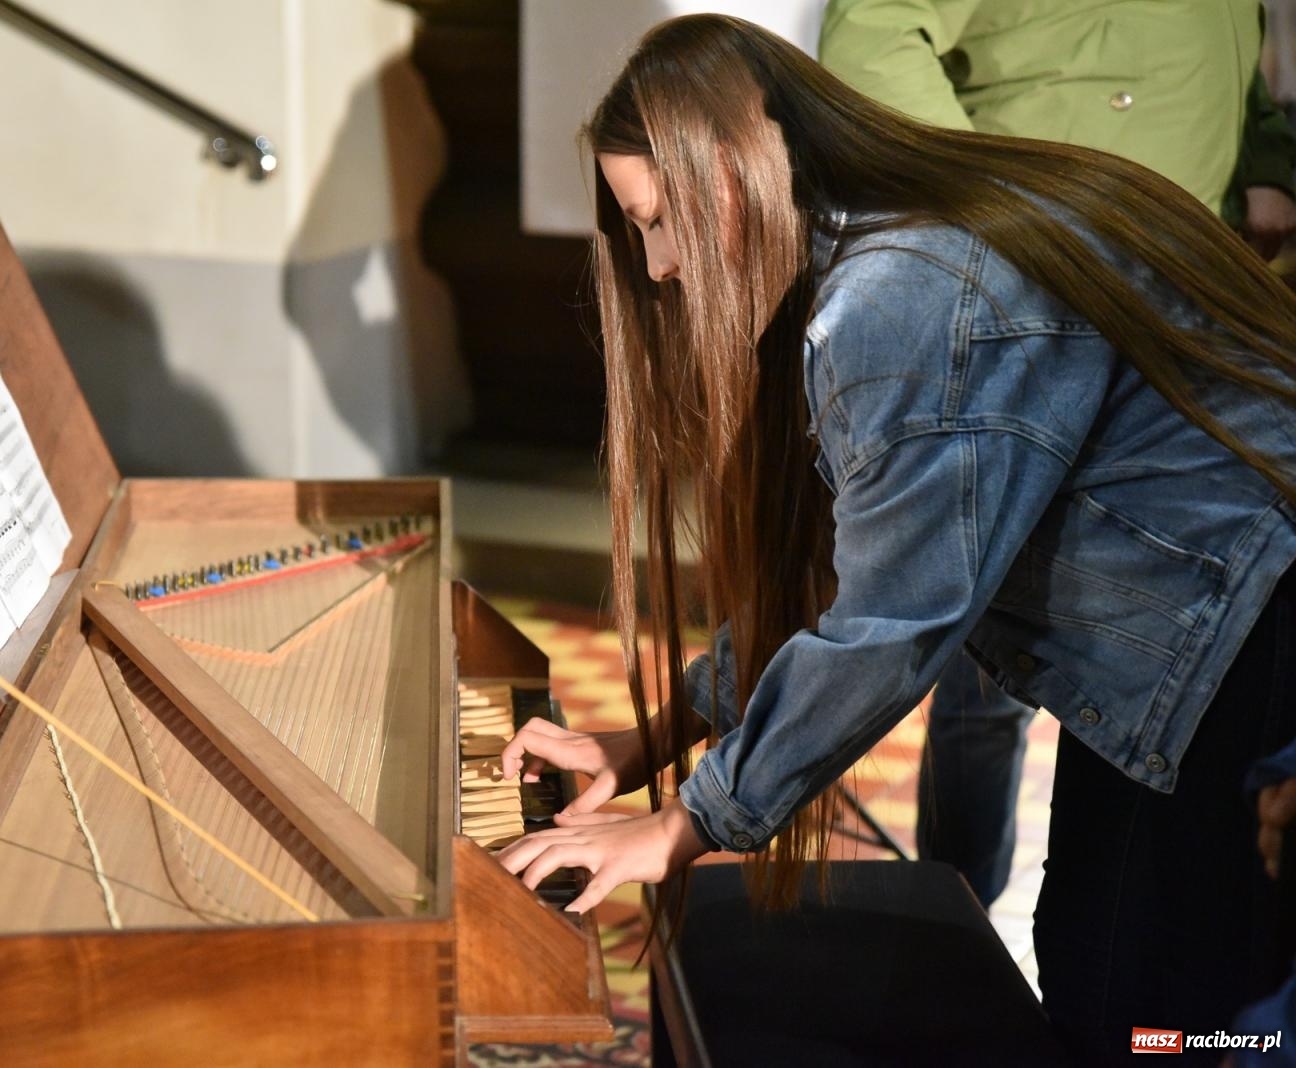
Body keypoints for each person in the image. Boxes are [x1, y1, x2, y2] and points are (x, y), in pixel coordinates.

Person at [495, 13, 1296, 1062]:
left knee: (1158, 1023)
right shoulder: (907, 232)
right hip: (1198, 644)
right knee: (1101, 972)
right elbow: (859, 575)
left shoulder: (904, 295)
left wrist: (684, 823)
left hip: (1245, 640)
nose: (657, 267)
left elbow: (890, 623)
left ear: (730, 173)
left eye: (659, 221)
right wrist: (651, 740)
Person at [815, 0, 1296, 909]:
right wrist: (999, 208)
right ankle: (958, 916)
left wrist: (1267, 163)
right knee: (987, 662)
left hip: (1194, 332)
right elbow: (870, 32)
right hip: (1050, 313)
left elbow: (1233, 58)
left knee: (1159, 668)